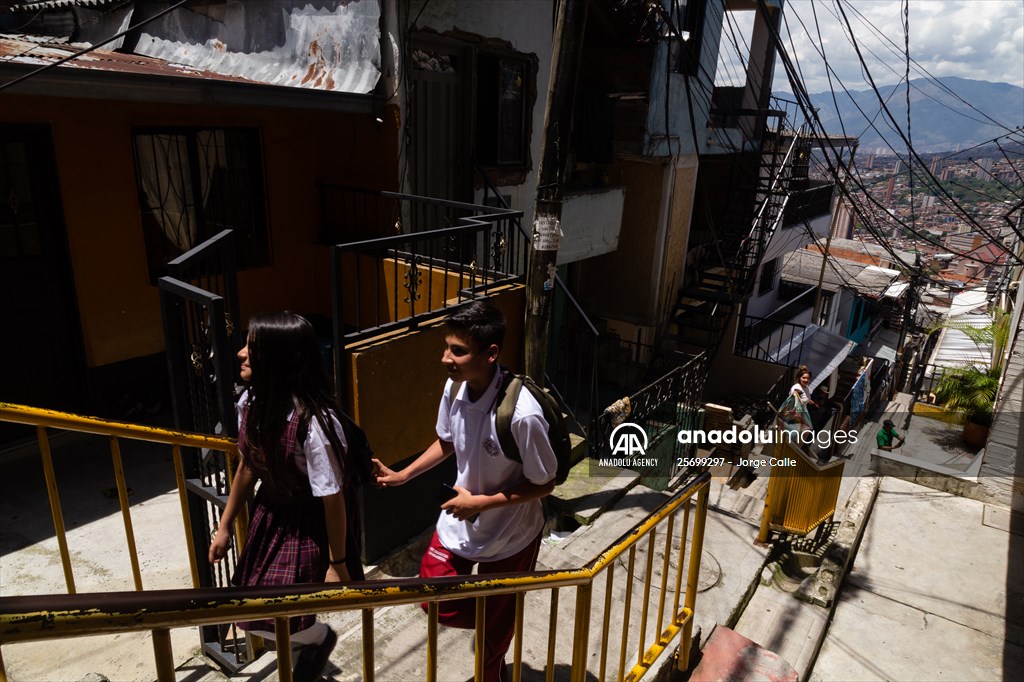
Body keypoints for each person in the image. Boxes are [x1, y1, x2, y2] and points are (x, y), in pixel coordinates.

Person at [372, 301, 558, 682]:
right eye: (446, 347)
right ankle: (498, 612)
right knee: (431, 594)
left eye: (457, 350)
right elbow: (446, 441)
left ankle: (494, 654)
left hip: (512, 534)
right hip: (461, 521)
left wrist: (481, 502)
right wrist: (403, 475)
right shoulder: (454, 388)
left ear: (491, 354)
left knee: (492, 642)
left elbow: (545, 482)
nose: (445, 358)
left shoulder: (521, 414)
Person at [209, 312, 363, 682]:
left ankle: (318, 638)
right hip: (270, 512)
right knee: (253, 612)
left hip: (306, 522)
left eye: (252, 347)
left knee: (284, 615)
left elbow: (332, 498)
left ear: (278, 358)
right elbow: (248, 465)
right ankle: (313, 640)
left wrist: (336, 562)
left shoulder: (315, 423)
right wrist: (225, 525)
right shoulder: (252, 401)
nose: (241, 354)